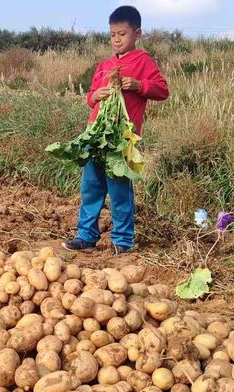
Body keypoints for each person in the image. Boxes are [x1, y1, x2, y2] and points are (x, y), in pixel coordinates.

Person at [62, 5, 169, 255]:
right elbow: (90, 98)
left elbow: (162, 90)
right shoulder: (104, 65)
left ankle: (122, 241)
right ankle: (86, 236)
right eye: (112, 35)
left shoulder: (143, 61)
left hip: (121, 138)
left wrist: (138, 85)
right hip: (96, 136)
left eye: (122, 33)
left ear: (137, 33)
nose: (117, 39)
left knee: (120, 189)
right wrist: (94, 96)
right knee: (91, 187)